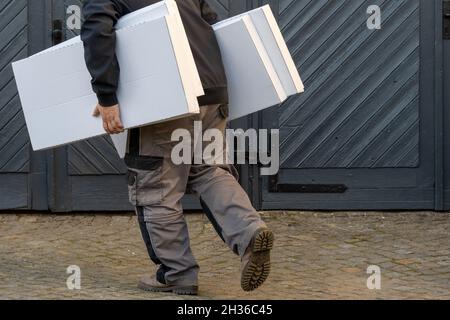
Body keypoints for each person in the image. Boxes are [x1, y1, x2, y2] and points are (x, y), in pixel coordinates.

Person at [81, 0, 274, 296]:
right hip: (212, 88)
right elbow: (209, 19)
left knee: (157, 187)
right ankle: (248, 233)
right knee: (210, 170)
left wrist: (107, 95)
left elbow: (98, 31)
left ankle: (177, 273)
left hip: (167, 96)